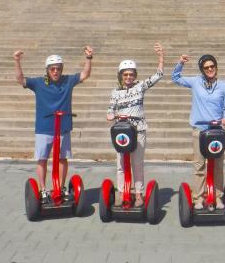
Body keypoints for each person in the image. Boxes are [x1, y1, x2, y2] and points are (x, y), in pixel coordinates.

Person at [14, 46, 93, 202]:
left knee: (63, 159)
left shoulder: (68, 81)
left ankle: (61, 187)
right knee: (42, 159)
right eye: (52, 69)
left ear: (61, 69)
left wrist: (88, 58)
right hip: (44, 128)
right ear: (47, 70)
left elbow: (85, 74)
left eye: (58, 69)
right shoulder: (38, 83)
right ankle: (43, 190)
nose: (55, 72)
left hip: (63, 128)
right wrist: (17, 61)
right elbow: (20, 79)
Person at [172, 53, 225, 210]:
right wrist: (181, 63)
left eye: (212, 66)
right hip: (200, 129)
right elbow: (176, 78)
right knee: (199, 165)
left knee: (217, 166)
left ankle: (218, 197)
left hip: (217, 131)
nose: (210, 69)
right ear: (202, 69)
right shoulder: (195, 81)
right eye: (206, 67)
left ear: (216, 67)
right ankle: (198, 198)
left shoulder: (223, 85)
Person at [107, 43, 165, 207]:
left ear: (135, 75)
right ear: (120, 75)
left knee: (137, 163)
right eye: (125, 74)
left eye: (131, 74)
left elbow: (158, 75)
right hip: (122, 132)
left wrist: (161, 57)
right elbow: (110, 109)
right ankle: (122, 193)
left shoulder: (140, 86)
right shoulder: (115, 92)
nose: (128, 77)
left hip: (138, 130)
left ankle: (138, 194)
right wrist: (111, 115)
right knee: (120, 165)